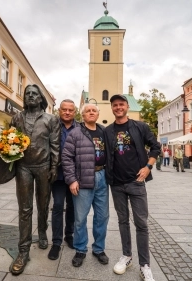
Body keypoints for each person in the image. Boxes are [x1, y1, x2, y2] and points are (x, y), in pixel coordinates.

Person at [104, 94, 160, 281]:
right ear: (112, 108)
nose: (118, 107)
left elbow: (155, 147)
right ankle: (126, 256)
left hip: (136, 182)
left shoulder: (140, 126)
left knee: (141, 223)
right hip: (117, 184)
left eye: (121, 104)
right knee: (122, 221)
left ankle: (145, 265)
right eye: (115, 105)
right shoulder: (108, 130)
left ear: (127, 106)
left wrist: (148, 167)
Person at [8, 84, 60, 275]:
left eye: (34, 94)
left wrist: (55, 166)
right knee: (25, 209)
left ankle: (43, 231)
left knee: (43, 204)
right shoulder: (16, 118)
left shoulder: (51, 119)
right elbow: (8, 142)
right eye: (27, 93)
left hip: (44, 166)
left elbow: (55, 145)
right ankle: (23, 251)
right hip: (23, 168)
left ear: (40, 99)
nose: (30, 96)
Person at [61, 103, 109, 268]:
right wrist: (72, 180)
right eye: (88, 111)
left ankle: (99, 249)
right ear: (83, 115)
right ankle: (80, 249)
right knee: (80, 219)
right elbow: (66, 157)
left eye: (94, 110)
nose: (91, 113)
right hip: (82, 180)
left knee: (102, 217)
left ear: (97, 114)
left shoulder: (104, 132)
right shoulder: (75, 133)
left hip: (102, 177)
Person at [48, 99, 79, 260]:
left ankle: (69, 235)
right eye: (64, 109)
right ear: (59, 111)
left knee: (73, 207)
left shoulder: (80, 128)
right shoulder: (52, 126)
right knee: (58, 206)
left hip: (74, 176)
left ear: (75, 112)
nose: (67, 112)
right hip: (58, 175)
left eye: (70, 110)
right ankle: (56, 242)